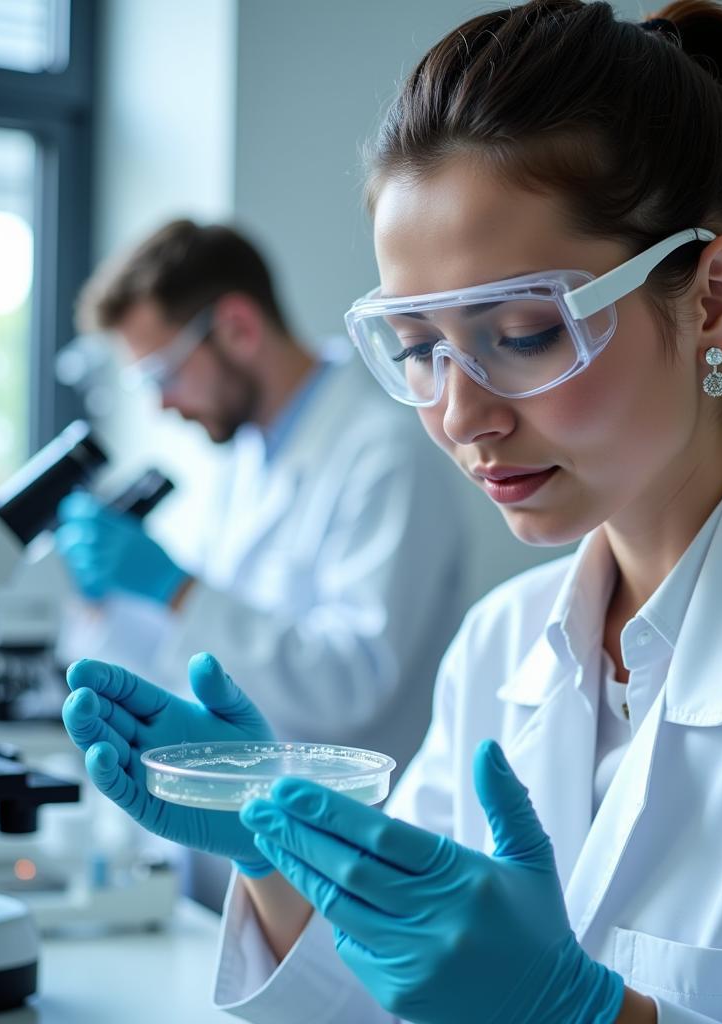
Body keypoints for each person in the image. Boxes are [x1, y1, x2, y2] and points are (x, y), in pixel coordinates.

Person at [61, 3, 722, 1022]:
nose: (459, 414)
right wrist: (274, 847)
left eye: (526, 332)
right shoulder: (500, 646)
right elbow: (385, 992)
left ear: (714, 298)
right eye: (417, 347)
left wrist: (580, 1010)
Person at [56, 220, 470, 904]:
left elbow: (354, 684)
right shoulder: (239, 462)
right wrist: (106, 598)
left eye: (163, 373)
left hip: (339, 863)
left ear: (239, 328)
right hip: (233, 855)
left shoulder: (383, 454)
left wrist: (176, 587)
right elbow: (188, 661)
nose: (160, 403)